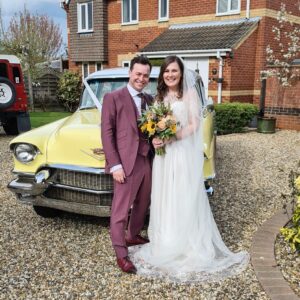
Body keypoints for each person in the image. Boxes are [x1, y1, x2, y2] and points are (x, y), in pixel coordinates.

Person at [129, 56, 249, 283]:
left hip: (182, 152)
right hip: (164, 157)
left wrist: (173, 136)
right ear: (162, 74)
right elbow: (152, 125)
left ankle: (187, 244)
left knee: (182, 193)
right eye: (167, 71)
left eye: (174, 71)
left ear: (181, 74)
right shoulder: (160, 96)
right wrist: (156, 137)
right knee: (165, 195)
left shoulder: (190, 94)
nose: (170, 75)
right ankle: (165, 240)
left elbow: (195, 124)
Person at [101, 56, 153, 274]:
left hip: (146, 159)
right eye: (138, 74)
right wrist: (115, 165)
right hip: (125, 163)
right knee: (120, 210)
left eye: (145, 75)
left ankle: (132, 235)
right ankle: (121, 253)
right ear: (130, 73)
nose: (141, 78)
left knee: (143, 203)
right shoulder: (113, 98)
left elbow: (152, 129)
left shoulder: (150, 100)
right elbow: (107, 132)